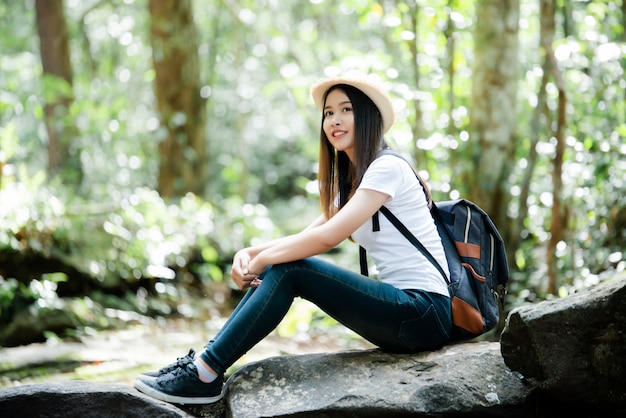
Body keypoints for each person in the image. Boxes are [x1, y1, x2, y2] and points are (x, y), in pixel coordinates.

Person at [134, 71, 452, 405]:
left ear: (369, 115)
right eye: (329, 113)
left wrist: (262, 260)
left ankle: (205, 373)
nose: (334, 120)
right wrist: (249, 252)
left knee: (290, 269)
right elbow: (307, 235)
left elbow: (328, 237)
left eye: (346, 109)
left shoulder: (388, 168)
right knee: (285, 264)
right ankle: (204, 364)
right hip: (407, 314)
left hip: (423, 311)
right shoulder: (354, 182)